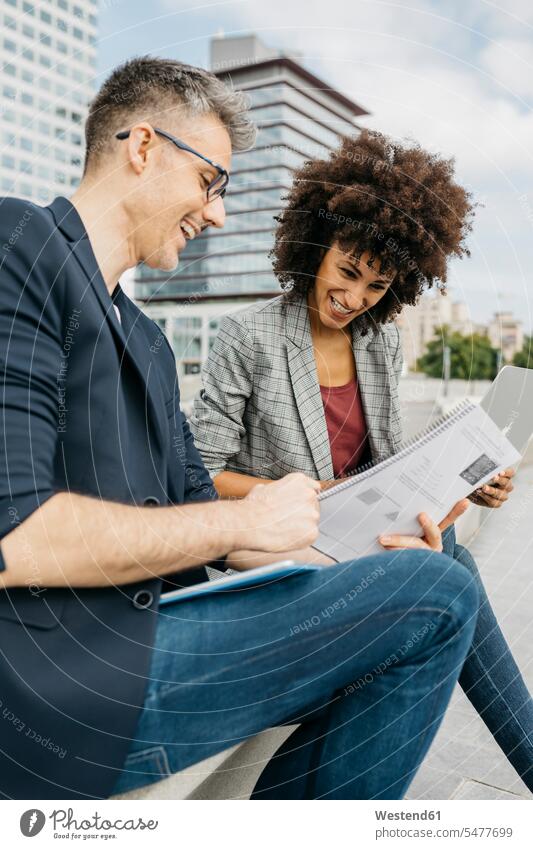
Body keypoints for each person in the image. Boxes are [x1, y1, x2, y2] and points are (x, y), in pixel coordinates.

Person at [0, 58, 478, 801]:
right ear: (143, 147)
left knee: (430, 574)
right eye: (209, 181)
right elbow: (16, 535)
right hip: (60, 685)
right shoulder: (20, 243)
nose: (217, 212)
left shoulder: (150, 346)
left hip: (159, 634)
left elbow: (222, 530)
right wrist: (244, 513)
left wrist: (348, 560)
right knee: (439, 597)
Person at [190, 130, 533, 791]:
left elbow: (384, 463)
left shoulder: (379, 344)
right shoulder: (247, 336)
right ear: (316, 245)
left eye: (377, 286)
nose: (355, 297)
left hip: (357, 546)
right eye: (347, 272)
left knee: (446, 553)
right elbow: (198, 474)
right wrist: (300, 491)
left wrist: (468, 482)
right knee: (451, 571)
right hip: (281, 559)